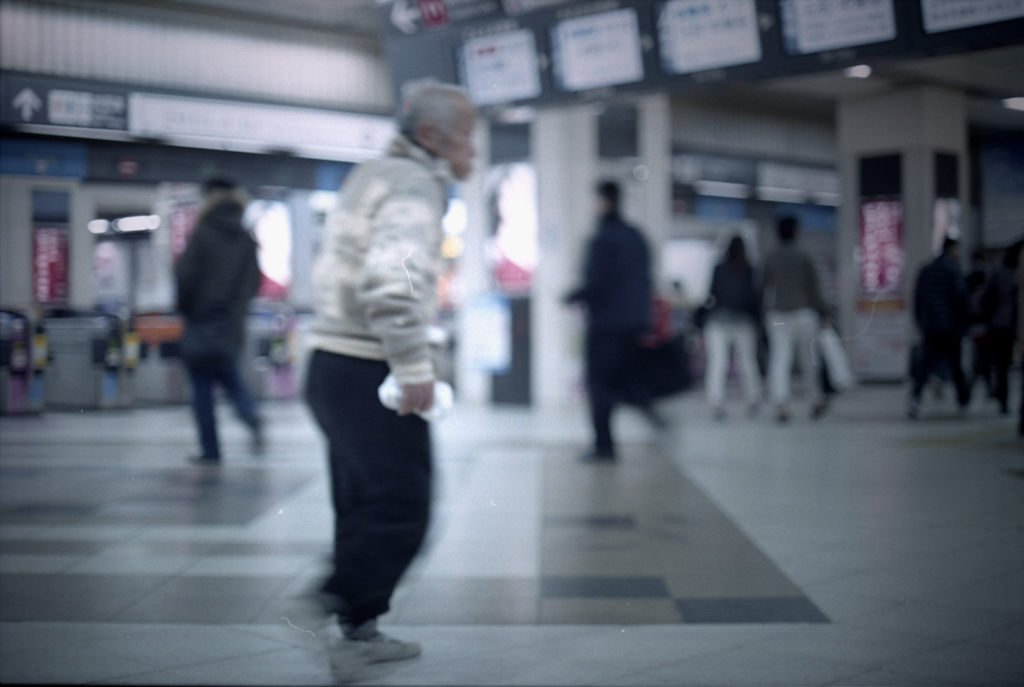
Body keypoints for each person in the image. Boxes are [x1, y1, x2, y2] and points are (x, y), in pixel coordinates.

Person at [301, 83, 477, 668]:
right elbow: (393, 274)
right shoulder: (413, 184)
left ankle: (357, 633)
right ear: (431, 136)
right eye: (467, 136)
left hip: (330, 362)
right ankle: (341, 596)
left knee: (361, 502)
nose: (472, 151)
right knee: (403, 501)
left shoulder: (370, 174)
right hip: (368, 363)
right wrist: (411, 365)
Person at [565, 181, 658, 461]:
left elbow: (596, 283)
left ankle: (604, 446)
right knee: (623, 379)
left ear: (605, 202)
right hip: (634, 324)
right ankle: (641, 399)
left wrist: (571, 296)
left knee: (600, 385)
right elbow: (646, 280)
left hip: (606, 324)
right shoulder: (638, 237)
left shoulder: (602, 239)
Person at [175, 178, 263, 463]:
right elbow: (253, 281)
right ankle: (249, 413)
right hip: (230, 320)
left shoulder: (203, 233)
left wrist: (186, 308)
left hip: (202, 317)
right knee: (229, 375)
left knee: (201, 386)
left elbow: (186, 276)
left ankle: (210, 449)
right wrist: (237, 310)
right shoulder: (246, 237)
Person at [761, 216, 830, 422]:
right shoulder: (805, 254)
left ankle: (781, 405)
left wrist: (759, 315)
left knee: (780, 359)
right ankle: (816, 400)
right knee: (809, 359)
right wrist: (824, 312)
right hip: (803, 313)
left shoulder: (771, 256)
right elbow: (815, 288)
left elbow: (763, 286)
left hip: (778, 314)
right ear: (796, 231)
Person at [908, 236, 971, 418]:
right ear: (951, 249)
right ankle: (963, 400)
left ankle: (915, 400)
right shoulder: (954, 270)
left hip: (931, 325)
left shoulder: (926, 270)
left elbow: (918, 297)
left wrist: (919, 320)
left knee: (925, 364)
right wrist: (964, 322)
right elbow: (962, 299)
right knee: (956, 364)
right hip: (951, 326)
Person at [704, 235, 762, 420]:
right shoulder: (749, 269)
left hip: (718, 321)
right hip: (743, 323)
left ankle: (716, 404)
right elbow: (753, 298)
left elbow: (712, 295)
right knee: (747, 362)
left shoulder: (719, 269)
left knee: (717, 363)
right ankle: (753, 400)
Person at [980, 241, 1021, 415]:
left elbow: (987, 298)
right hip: (1014, 323)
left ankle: (1002, 400)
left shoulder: (999, 272)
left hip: (998, 324)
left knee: (1001, 364)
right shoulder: (1016, 273)